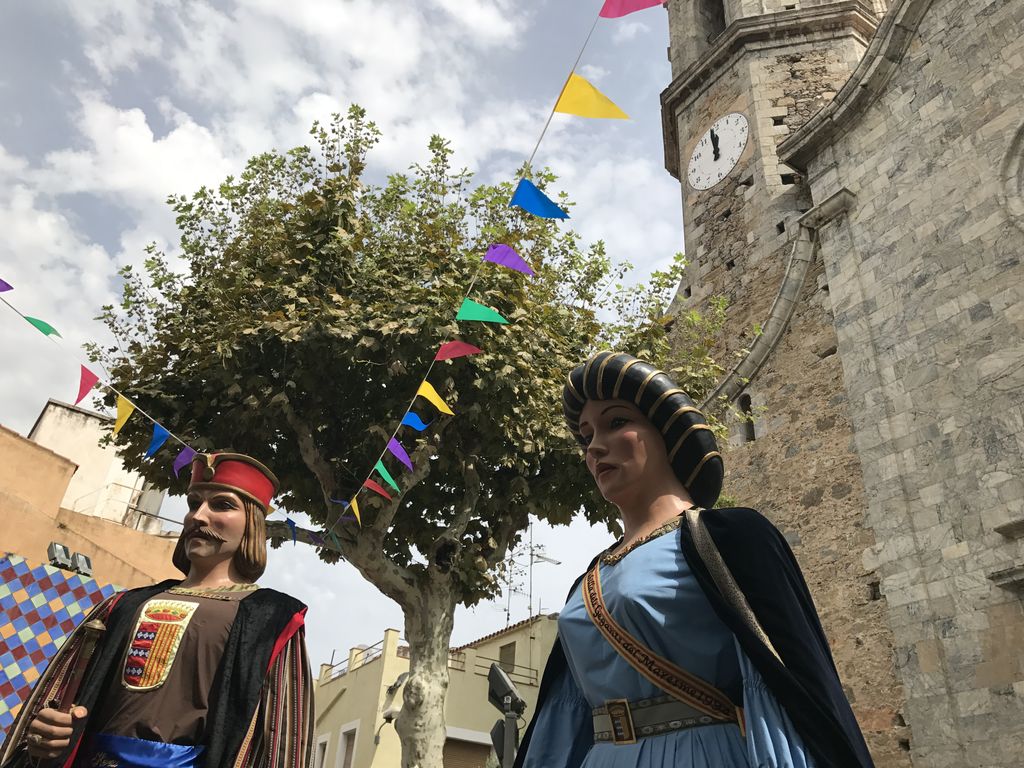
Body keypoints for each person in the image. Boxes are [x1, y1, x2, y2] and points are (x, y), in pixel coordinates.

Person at [514, 352, 875, 768]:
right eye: (586, 434)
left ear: (667, 433)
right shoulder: (587, 580)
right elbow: (563, 715)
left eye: (616, 422)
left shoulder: (728, 538)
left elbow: (788, 685)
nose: (594, 446)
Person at [1, 452, 313, 768]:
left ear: (253, 525)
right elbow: (57, 695)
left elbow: (280, 741)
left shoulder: (272, 618)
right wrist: (46, 733)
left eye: (222, 505)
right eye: (193, 504)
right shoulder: (122, 605)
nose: (198, 516)